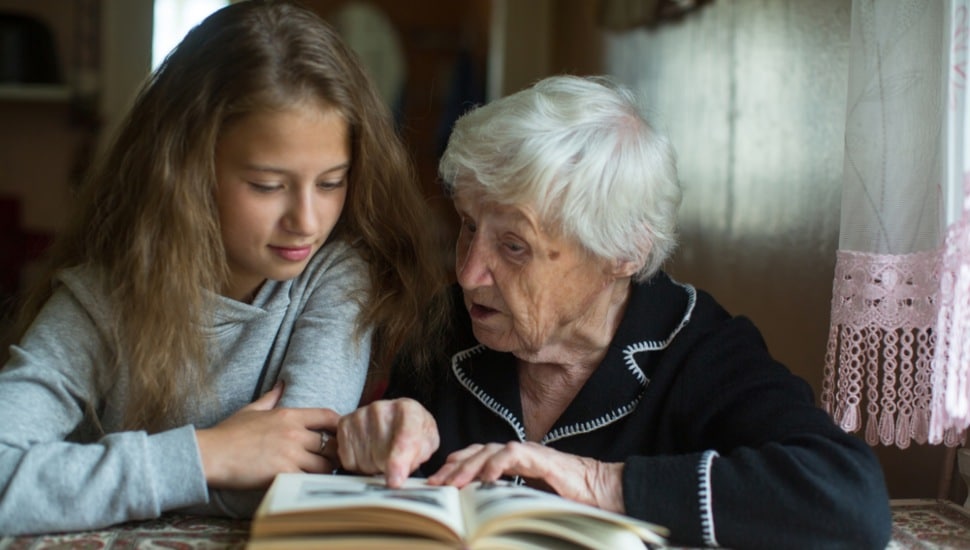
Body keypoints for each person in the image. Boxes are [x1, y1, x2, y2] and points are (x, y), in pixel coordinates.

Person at [332, 75, 893, 549]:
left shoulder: (696, 348)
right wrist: (367, 444)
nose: (468, 272)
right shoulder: (452, 328)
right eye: (468, 226)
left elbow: (850, 499)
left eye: (514, 246)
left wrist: (603, 484)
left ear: (620, 253)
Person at [0, 0, 448, 535]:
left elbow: (288, 481)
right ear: (186, 172)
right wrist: (207, 454)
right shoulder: (101, 299)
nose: (307, 221)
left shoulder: (337, 277)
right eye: (267, 185)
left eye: (332, 182)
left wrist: (81, 482)